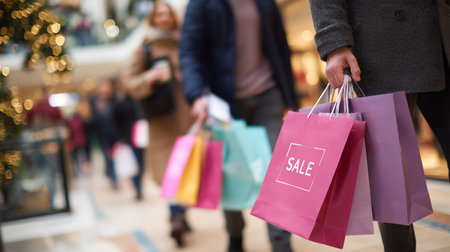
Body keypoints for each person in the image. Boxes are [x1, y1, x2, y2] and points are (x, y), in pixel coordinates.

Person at [308, 1, 450, 251]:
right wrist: (334, 41)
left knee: (389, 175)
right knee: (390, 177)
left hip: (441, 35)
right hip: (379, 48)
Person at [179, 0, 297, 251]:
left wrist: (290, 98)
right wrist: (196, 95)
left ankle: (281, 242)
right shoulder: (201, 4)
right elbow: (189, 52)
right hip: (224, 105)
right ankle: (235, 236)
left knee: (274, 175)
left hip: (268, 95)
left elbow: (280, 46)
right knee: (231, 173)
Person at [123, 1, 194, 247]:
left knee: (187, 171)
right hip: (161, 122)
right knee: (169, 175)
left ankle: (181, 213)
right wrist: (151, 77)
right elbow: (130, 83)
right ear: (153, 19)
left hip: (187, 118)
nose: (164, 18)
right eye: (159, 14)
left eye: (168, 14)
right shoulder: (146, 48)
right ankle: (176, 217)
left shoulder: (186, 42)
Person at [111, 74, 145, 200]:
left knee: (141, 164)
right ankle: (137, 189)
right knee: (133, 165)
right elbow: (115, 121)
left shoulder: (135, 97)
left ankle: (140, 187)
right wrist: (120, 138)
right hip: (127, 138)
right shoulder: (118, 101)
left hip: (139, 136)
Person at [89, 79, 119, 189]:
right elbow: (92, 121)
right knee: (107, 157)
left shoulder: (113, 100)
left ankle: (113, 175)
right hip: (102, 135)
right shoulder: (94, 102)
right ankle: (112, 176)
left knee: (115, 157)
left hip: (114, 135)